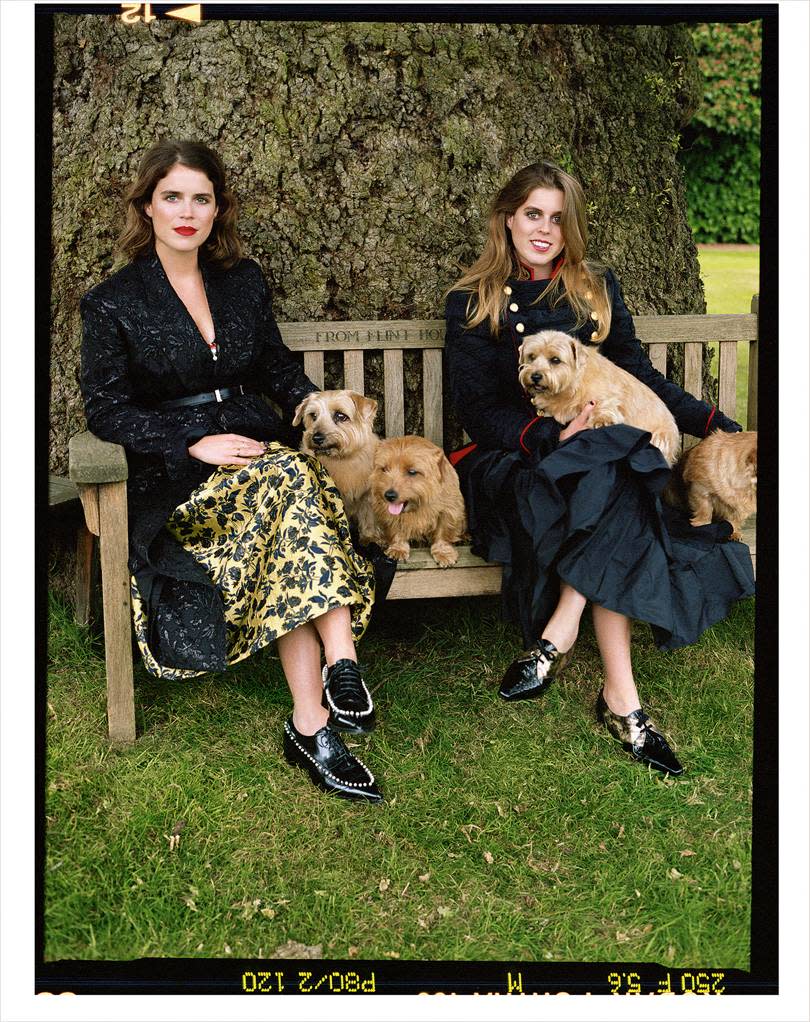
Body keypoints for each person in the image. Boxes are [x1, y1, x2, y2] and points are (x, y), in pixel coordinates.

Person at [80, 140, 383, 802]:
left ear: (218, 209)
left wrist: (314, 412)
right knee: (293, 486)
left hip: (257, 451)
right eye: (172, 197)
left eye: (201, 198)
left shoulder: (241, 281)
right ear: (147, 207)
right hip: (182, 476)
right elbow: (105, 409)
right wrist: (193, 442)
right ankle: (342, 669)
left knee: (288, 486)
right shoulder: (113, 301)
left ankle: (315, 716)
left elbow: (273, 365)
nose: (187, 211)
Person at [444, 160, 755, 775]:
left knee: (610, 473)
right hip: (517, 459)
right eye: (533, 213)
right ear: (508, 218)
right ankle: (623, 704)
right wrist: (554, 432)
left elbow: (636, 374)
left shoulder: (594, 289)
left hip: (598, 461)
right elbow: (478, 411)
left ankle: (565, 636)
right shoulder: (472, 301)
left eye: (558, 219)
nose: (544, 229)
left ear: (571, 228)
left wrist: (712, 422)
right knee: (614, 478)